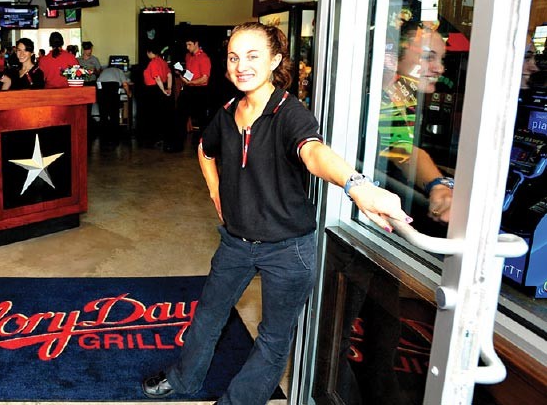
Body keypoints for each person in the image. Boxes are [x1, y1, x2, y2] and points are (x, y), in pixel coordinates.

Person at [140, 22, 410, 405]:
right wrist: (217, 191)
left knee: (272, 338)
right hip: (236, 242)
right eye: (234, 57)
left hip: (288, 249)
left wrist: (355, 185)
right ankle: (184, 380)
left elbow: (314, 153)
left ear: (275, 60)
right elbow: (205, 148)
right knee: (208, 316)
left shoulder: (290, 112)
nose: (241, 66)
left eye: (253, 56)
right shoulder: (229, 109)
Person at [378, 18, 453, 227]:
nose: (439, 68)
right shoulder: (393, 95)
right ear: (394, 59)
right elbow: (402, 150)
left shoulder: (403, 95)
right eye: (428, 57)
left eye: (441, 59)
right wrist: (439, 185)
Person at [172, 36, 212, 151]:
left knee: (202, 119)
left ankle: (205, 146)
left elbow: (205, 79)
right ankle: (177, 145)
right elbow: (189, 74)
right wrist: (180, 74)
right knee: (179, 115)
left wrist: (191, 83)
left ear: (196, 43)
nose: (187, 47)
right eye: (186, 45)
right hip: (189, 89)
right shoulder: (188, 56)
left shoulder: (204, 58)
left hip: (200, 91)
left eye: (189, 45)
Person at [138, 43, 173, 147]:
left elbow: (157, 77)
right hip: (160, 89)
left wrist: (162, 89)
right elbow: (169, 75)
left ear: (149, 52)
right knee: (160, 114)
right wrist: (169, 88)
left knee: (152, 116)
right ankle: (160, 138)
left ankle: (153, 140)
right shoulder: (163, 62)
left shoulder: (153, 63)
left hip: (152, 90)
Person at [95, 60, 130, 145]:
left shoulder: (104, 70)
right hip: (113, 87)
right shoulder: (119, 71)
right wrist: (129, 94)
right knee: (114, 113)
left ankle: (103, 137)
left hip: (100, 88)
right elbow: (125, 84)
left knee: (103, 113)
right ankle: (114, 137)